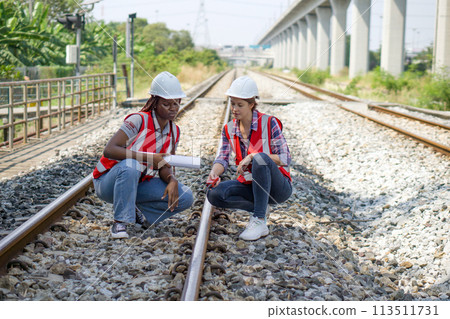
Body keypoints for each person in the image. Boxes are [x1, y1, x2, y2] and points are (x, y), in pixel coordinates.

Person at [93, 71, 194, 239]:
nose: (173, 108)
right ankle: (120, 223)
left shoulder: (174, 131)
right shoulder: (138, 120)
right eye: (166, 104)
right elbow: (110, 149)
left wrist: (171, 179)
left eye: (176, 103)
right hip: (107, 182)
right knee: (131, 165)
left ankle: (140, 213)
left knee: (186, 197)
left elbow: (163, 165)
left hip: (137, 183)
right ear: (154, 102)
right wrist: (148, 158)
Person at [207, 76, 293, 241]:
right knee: (214, 194)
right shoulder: (229, 129)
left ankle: (259, 220)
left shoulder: (269, 123)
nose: (235, 109)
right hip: (250, 184)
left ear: (252, 104)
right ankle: (259, 208)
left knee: (260, 159)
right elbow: (223, 158)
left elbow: (285, 158)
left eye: (240, 105)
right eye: (233, 104)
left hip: (278, 187)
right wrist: (214, 173)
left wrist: (253, 156)